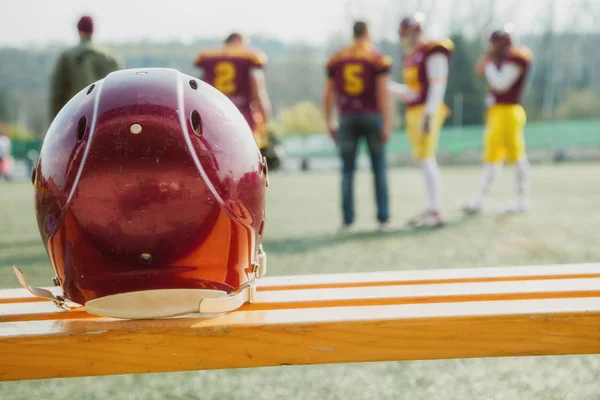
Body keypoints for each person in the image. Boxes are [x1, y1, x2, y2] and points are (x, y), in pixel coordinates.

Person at [323, 21, 393, 233]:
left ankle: (347, 221)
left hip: (347, 117)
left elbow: (328, 95)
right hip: (372, 116)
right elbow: (383, 93)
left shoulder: (337, 59)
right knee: (379, 168)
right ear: (368, 33)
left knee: (347, 171)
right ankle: (383, 219)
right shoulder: (377, 58)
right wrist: (388, 124)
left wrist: (330, 122)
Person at [388, 13, 453, 228]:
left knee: (427, 159)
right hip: (415, 111)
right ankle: (431, 207)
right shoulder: (412, 55)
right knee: (423, 161)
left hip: (426, 111)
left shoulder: (432, 51)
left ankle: (435, 210)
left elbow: (437, 84)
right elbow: (413, 92)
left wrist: (429, 113)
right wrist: (388, 87)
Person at [461, 25, 533, 215]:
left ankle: (521, 200)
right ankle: (479, 199)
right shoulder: (501, 60)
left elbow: (501, 84)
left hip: (509, 112)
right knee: (491, 157)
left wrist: (490, 65)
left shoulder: (516, 59)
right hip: (497, 113)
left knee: (516, 156)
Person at [194, 33, 273, 152]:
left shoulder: (209, 57)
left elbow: (200, 89)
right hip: (243, 116)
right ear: (240, 41)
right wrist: (266, 124)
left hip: (214, 116)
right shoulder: (250, 57)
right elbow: (259, 93)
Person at [50, 16, 122, 119]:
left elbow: (57, 94)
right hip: (104, 118)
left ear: (78, 30)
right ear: (92, 30)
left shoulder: (67, 57)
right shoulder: (111, 59)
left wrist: (55, 125)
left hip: (76, 118)